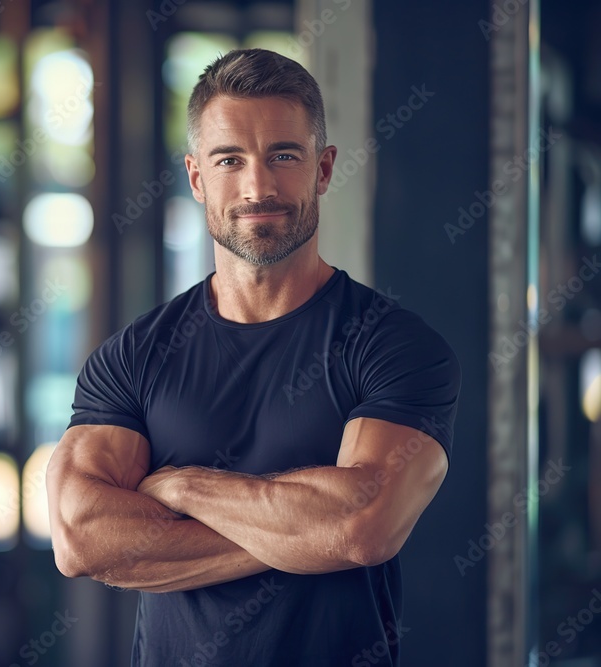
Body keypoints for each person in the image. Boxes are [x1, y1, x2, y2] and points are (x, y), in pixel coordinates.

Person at [45, 48, 461, 666]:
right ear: (196, 178)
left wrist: (181, 486)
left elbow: (362, 526)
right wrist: (305, 530)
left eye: (283, 157)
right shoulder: (134, 355)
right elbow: (81, 538)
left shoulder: (394, 345)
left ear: (323, 169)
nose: (257, 186)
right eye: (230, 160)